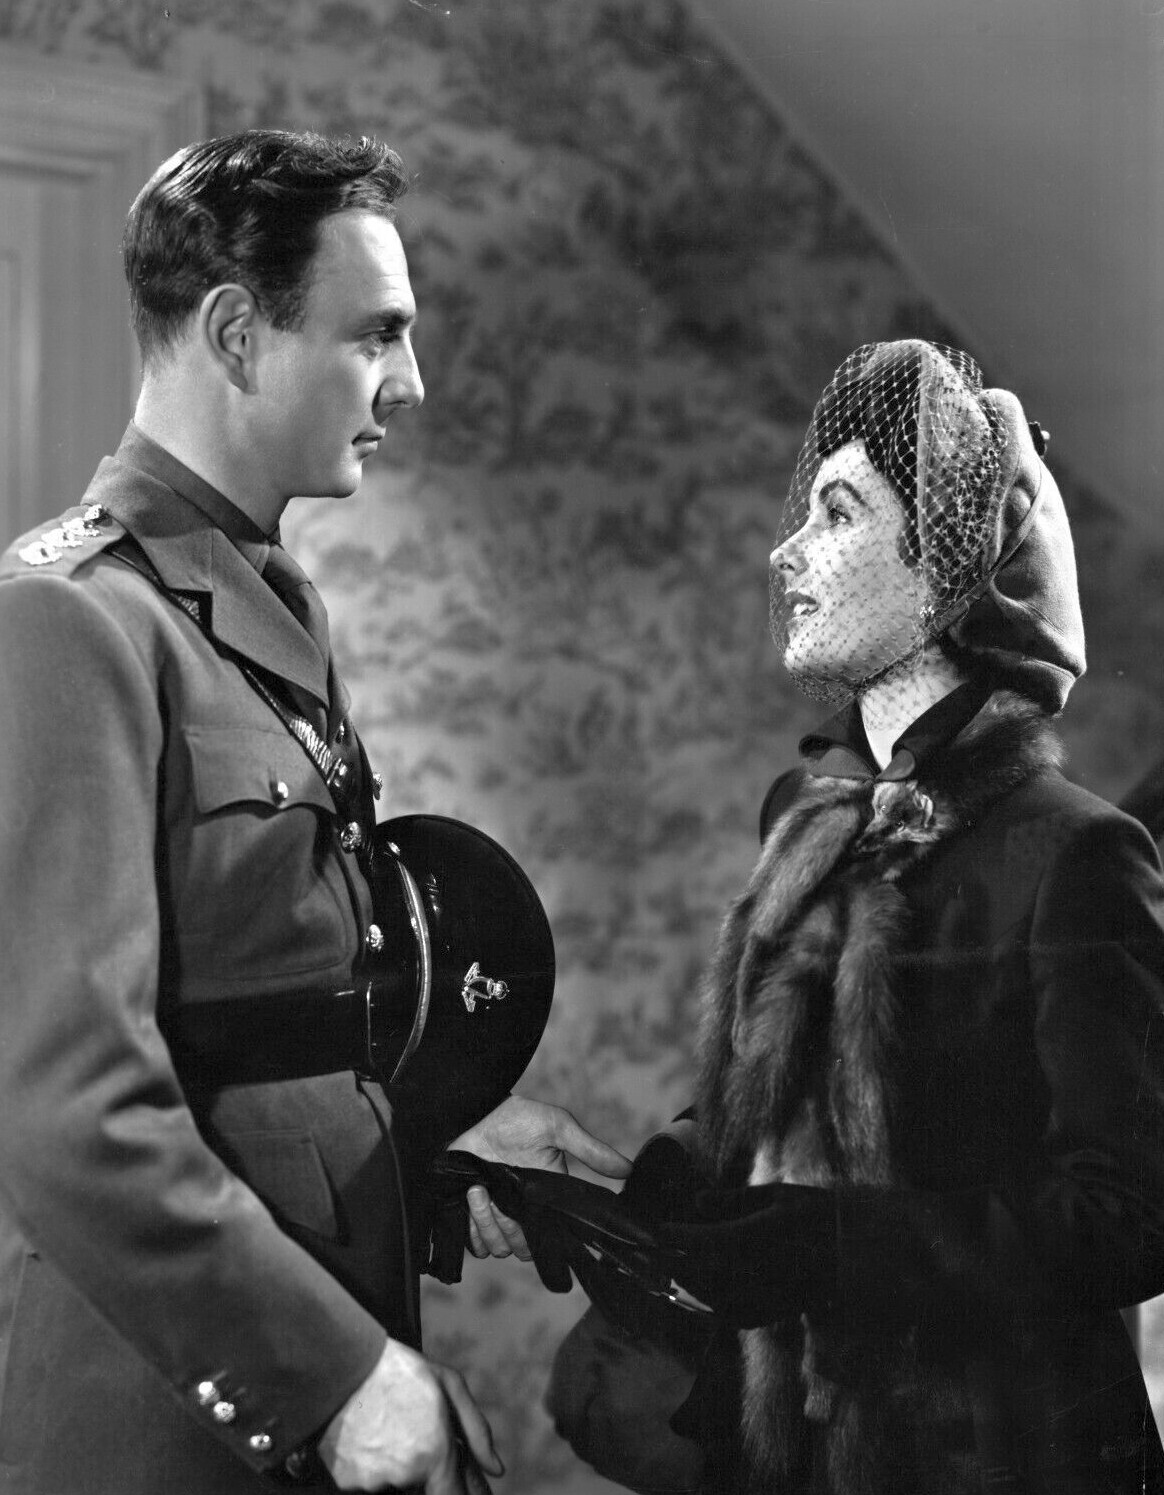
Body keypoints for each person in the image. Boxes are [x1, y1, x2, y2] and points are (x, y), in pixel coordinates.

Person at [0, 128, 628, 1495]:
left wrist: (435, 1128)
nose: (412, 380)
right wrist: (330, 1373)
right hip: (166, 1414)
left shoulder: (262, 597)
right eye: (378, 334)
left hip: (313, 1333)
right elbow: (66, 1103)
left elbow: (254, 1008)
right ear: (238, 333)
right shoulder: (70, 619)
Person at [663, 338, 1164, 1492]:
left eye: (838, 513)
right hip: (792, 1447)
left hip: (995, 1452)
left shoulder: (1075, 853)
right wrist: (676, 1169)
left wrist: (843, 1246)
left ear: (944, 563)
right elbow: (779, 1107)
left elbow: (1131, 1211)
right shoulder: (807, 822)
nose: (788, 549)